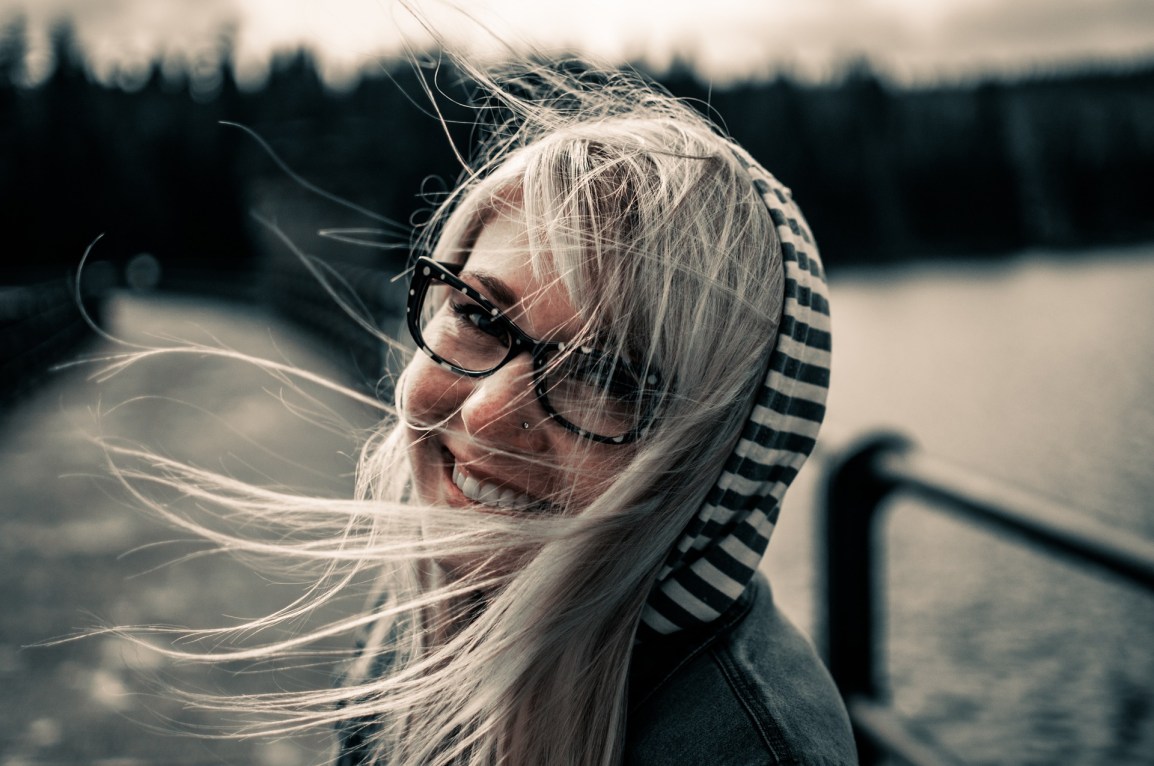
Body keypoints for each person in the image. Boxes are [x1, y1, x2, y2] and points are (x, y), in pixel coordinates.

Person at [102, 60, 855, 766]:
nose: (492, 410)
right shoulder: (430, 594)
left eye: (605, 377)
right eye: (480, 315)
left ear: (725, 464)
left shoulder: (744, 749)